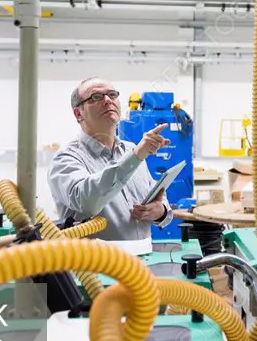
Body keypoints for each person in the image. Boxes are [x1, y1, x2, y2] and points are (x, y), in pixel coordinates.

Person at [48, 78, 173, 241]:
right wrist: (136, 156)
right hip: (95, 264)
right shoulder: (66, 158)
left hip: (141, 259)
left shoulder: (130, 150)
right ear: (79, 114)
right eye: (96, 97)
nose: (107, 100)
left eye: (112, 95)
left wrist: (160, 211)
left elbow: (157, 197)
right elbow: (87, 202)